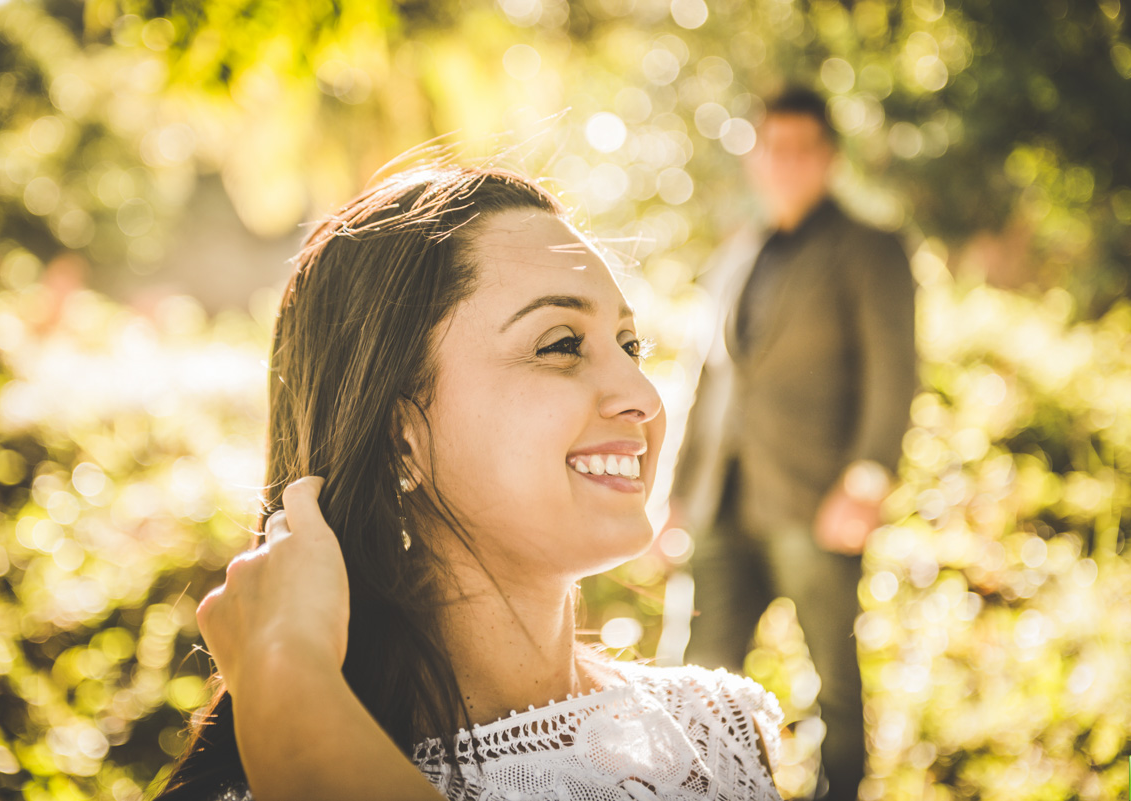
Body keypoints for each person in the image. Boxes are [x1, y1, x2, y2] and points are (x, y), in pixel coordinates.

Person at [156, 164, 785, 801]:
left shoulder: (719, 736)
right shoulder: (271, 784)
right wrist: (290, 685)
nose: (643, 396)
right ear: (402, 432)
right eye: (561, 345)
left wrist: (287, 683)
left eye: (629, 345)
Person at [667, 88, 917, 801]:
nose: (787, 162)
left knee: (831, 679)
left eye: (804, 148)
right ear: (755, 156)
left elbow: (894, 370)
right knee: (696, 674)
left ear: (829, 157)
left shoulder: (869, 248)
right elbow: (709, 380)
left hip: (815, 501)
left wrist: (865, 483)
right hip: (721, 501)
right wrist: (676, 496)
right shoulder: (737, 253)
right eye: (774, 147)